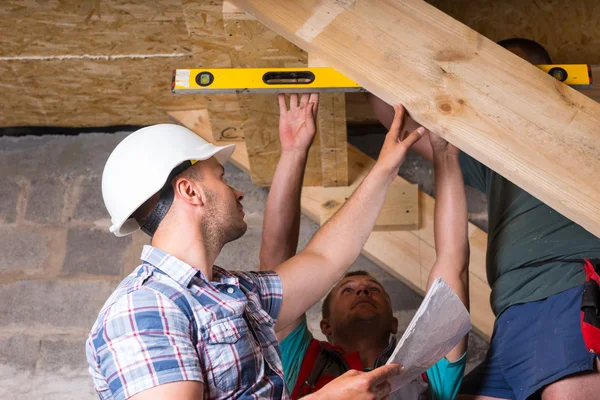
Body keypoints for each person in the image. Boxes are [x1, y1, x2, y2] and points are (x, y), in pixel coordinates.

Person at [86, 92, 425, 400]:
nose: (238, 191)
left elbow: (325, 258)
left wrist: (386, 168)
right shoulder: (145, 309)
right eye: (221, 177)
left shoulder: (232, 292)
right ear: (190, 191)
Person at [368, 38, 600, 400]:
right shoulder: (496, 160)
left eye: (506, 74)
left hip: (567, 286)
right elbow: (389, 111)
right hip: (511, 315)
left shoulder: (585, 133)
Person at [262, 130, 470, 399]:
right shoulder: (305, 360)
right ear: (326, 327)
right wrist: (293, 152)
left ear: (395, 324)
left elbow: (453, 262)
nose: (362, 291)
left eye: (373, 290)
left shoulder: (425, 365)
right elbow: (275, 270)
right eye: (347, 290)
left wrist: (445, 153)